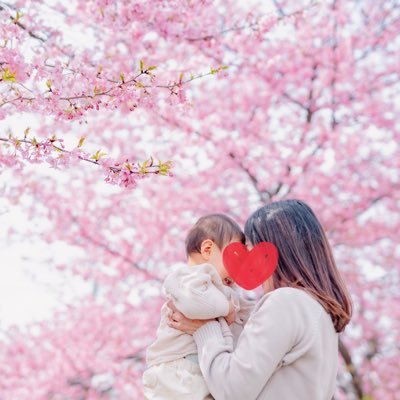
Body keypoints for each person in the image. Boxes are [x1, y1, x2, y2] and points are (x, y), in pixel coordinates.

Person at [168, 199, 352, 400]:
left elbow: (232, 390)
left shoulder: (285, 303)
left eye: (249, 250)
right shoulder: (319, 313)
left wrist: (204, 327)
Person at [143, 214, 255, 400]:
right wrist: (228, 309)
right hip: (178, 369)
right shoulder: (187, 278)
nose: (238, 268)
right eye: (235, 258)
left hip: (201, 371)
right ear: (208, 249)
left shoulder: (223, 288)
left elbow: (248, 313)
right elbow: (193, 303)